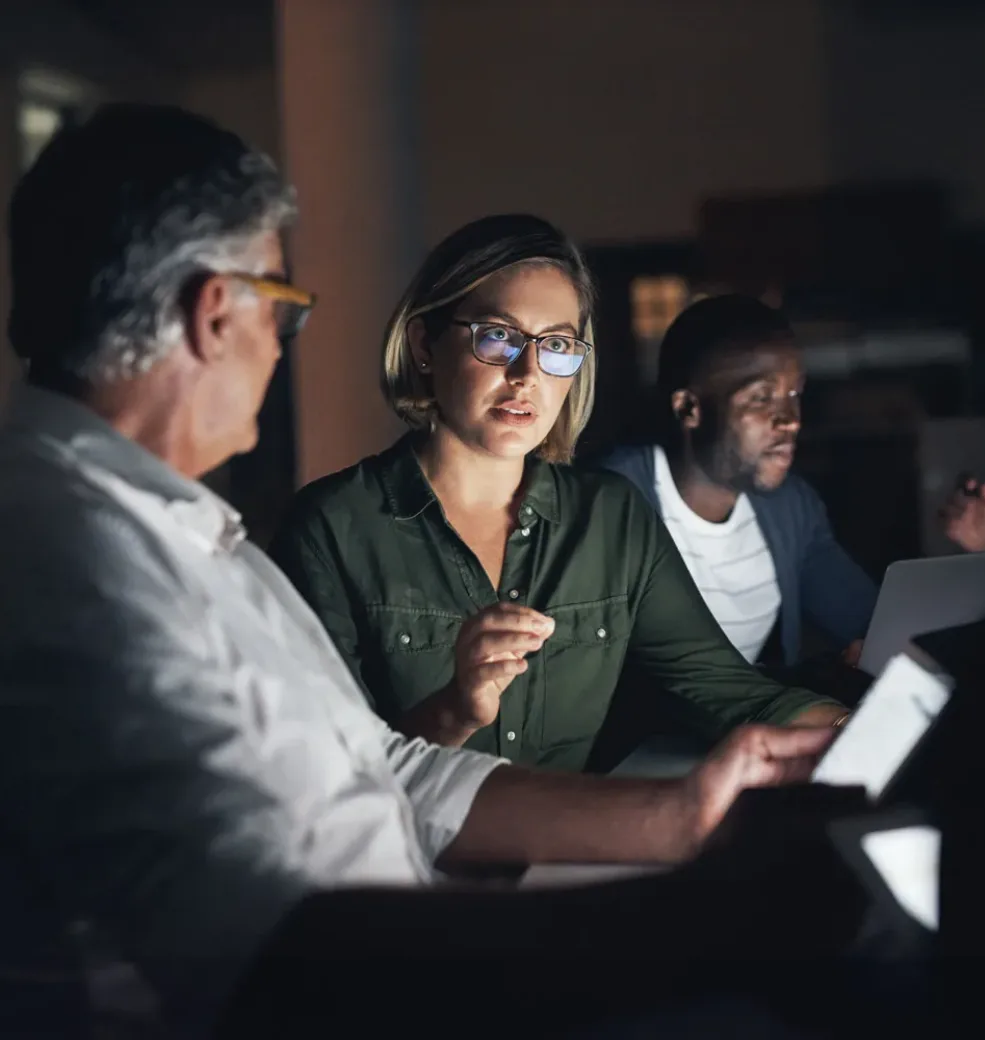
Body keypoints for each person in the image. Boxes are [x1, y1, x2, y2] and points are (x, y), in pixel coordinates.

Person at [0, 104, 845, 1038]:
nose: (282, 343)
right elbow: (271, 954)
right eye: (280, 302)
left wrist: (685, 814)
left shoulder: (175, 526)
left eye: (558, 347)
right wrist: (710, 920)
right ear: (214, 312)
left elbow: (387, 767)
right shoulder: (70, 562)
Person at [269, 217, 848, 775]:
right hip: (400, 866)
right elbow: (318, 773)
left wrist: (860, 728)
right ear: (424, 344)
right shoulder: (331, 528)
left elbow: (724, 688)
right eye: (498, 337)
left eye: (557, 346)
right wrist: (454, 710)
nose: (528, 374)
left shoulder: (610, 517)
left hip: (566, 853)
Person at [599, 295, 877, 671]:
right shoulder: (609, 504)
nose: (791, 420)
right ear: (688, 409)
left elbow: (869, 625)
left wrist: (977, 553)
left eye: (795, 394)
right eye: (762, 397)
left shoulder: (791, 507)